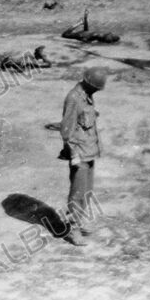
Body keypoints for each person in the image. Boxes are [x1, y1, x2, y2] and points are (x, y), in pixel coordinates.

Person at [59, 66, 107, 246]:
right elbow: (66, 129)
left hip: (89, 151)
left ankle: (81, 220)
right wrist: (73, 155)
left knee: (87, 192)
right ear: (88, 83)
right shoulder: (74, 98)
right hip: (79, 153)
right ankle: (72, 230)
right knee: (77, 193)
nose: (97, 91)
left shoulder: (87, 96)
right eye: (96, 88)